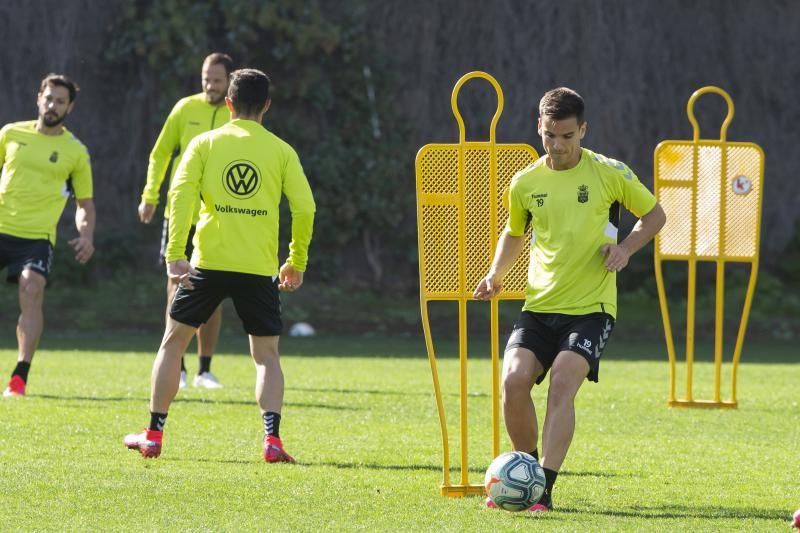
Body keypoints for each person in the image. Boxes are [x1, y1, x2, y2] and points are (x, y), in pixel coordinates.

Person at [474, 87, 666, 511]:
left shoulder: (609, 173)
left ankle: (543, 487)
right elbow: (514, 233)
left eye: (566, 136)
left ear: (583, 130)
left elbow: (654, 215)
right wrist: (495, 275)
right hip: (539, 305)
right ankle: (521, 474)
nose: (558, 146)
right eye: (549, 136)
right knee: (513, 381)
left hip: (592, 309)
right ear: (538, 129)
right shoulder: (525, 182)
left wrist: (626, 249)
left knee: (562, 382)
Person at [124, 68, 316, 462]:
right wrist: (296, 261)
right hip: (259, 268)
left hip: (207, 264)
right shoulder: (282, 151)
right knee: (266, 355)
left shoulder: (204, 144)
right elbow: (305, 207)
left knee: (173, 342)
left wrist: (174, 254)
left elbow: (179, 196)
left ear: (228, 103)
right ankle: (272, 441)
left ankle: (154, 434)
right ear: (267, 105)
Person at [138, 52, 234, 389]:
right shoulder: (184, 108)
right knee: (176, 286)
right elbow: (161, 152)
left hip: (219, 217)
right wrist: (150, 194)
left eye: (217, 80)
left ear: (229, 81)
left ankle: (204, 369)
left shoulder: (236, 116)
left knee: (215, 291)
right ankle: (175, 366)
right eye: (206, 78)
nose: (210, 85)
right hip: (180, 213)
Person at [0, 74, 95, 397]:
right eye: (48, 98)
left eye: (60, 101)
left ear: (70, 107)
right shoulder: (11, 134)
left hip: (36, 237)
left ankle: (20, 376)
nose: (52, 105)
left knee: (32, 286)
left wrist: (86, 235)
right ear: (38, 97)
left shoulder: (75, 152)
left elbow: (85, 204)